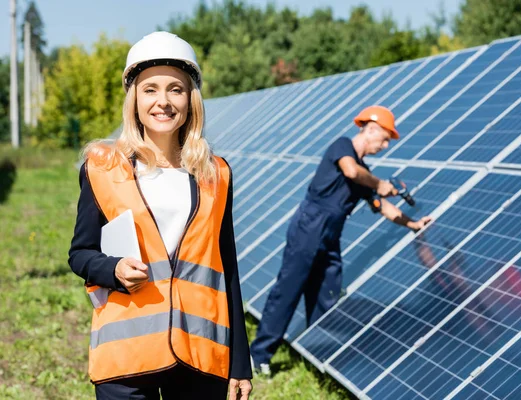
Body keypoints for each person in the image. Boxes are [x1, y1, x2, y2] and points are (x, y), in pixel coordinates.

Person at [68, 32, 252, 400]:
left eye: (176, 89)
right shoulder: (103, 168)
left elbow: (227, 267)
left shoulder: (216, 175)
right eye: (150, 89)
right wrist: (113, 269)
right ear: (134, 99)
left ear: (191, 100)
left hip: (200, 353)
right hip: (126, 353)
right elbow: (80, 253)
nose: (163, 101)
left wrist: (239, 364)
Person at [249, 105, 432, 375]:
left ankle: (319, 350)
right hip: (309, 226)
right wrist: (380, 183)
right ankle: (259, 355)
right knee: (288, 289)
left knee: (328, 293)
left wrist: (412, 224)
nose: (384, 146)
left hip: (331, 234)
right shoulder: (342, 147)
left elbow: (383, 207)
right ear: (370, 129)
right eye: (384, 139)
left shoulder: (365, 173)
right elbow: (351, 171)